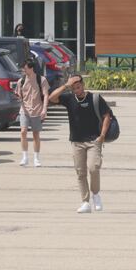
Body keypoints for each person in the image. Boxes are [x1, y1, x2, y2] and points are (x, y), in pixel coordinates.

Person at [48, 74, 111, 213]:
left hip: (94, 140)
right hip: (76, 142)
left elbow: (107, 116)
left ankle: (95, 194)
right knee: (80, 173)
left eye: (79, 86)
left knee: (94, 168)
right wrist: (65, 85)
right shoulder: (69, 99)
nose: (77, 90)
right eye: (74, 88)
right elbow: (51, 98)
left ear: (83, 85)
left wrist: (102, 136)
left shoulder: (95, 98)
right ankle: (85, 202)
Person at [15, 57, 49, 167]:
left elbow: (46, 95)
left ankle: (36, 158)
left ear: (31, 68)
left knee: (35, 134)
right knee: (23, 132)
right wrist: (19, 98)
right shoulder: (21, 81)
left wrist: (44, 110)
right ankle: (24, 157)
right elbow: (19, 95)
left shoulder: (41, 80)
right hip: (24, 110)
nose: (23, 71)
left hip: (37, 110)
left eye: (25, 69)